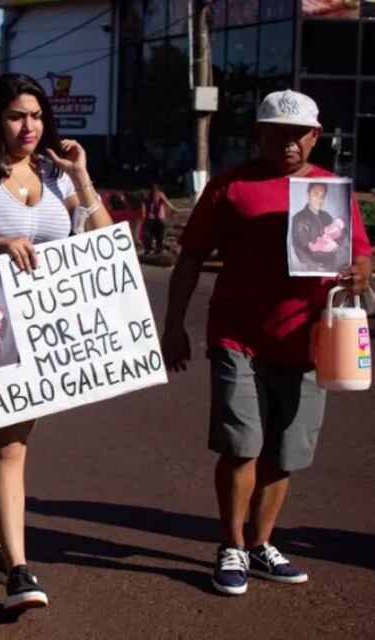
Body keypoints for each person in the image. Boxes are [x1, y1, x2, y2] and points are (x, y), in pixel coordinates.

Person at [161, 90, 371, 597]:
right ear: (258, 133)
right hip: (239, 335)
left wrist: (361, 272)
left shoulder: (334, 191)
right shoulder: (230, 187)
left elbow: (364, 257)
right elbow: (190, 256)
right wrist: (173, 327)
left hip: (310, 340)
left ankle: (260, 543)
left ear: (316, 136)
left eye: (299, 133)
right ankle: (230, 545)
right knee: (241, 447)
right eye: (277, 131)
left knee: (285, 453)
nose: (288, 142)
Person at [0, 73, 113, 610]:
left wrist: (81, 178)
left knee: (12, 442)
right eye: (17, 115)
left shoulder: (57, 175)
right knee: (8, 447)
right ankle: (18, 569)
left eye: (36, 116)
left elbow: (105, 242)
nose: (28, 126)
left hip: (46, 333)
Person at [290, 181, 347, 273]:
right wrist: (326, 250)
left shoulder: (326, 215)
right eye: (316, 194)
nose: (320, 199)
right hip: (313, 269)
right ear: (308, 195)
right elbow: (301, 249)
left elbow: (342, 230)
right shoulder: (299, 219)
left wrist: (336, 244)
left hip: (331, 266)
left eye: (322, 196)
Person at [142, 182, 181, 255]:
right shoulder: (156, 195)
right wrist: (173, 209)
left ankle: (152, 249)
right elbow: (167, 202)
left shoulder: (152, 195)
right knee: (155, 234)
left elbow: (166, 202)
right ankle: (154, 248)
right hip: (155, 218)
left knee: (153, 234)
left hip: (154, 218)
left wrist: (173, 209)